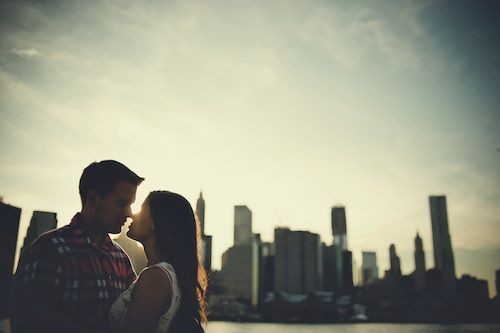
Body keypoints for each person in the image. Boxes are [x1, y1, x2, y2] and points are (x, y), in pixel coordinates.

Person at [12, 160, 144, 333]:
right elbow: (29, 322)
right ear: (93, 198)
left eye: (131, 204)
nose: (129, 214)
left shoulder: (121, 258)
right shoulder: (49, 250)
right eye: (121, 204)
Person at [109, 191, 208, 333]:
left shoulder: (155, 277)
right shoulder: (169, 275)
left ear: (155, 223)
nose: (131, 215)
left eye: (142, 210)